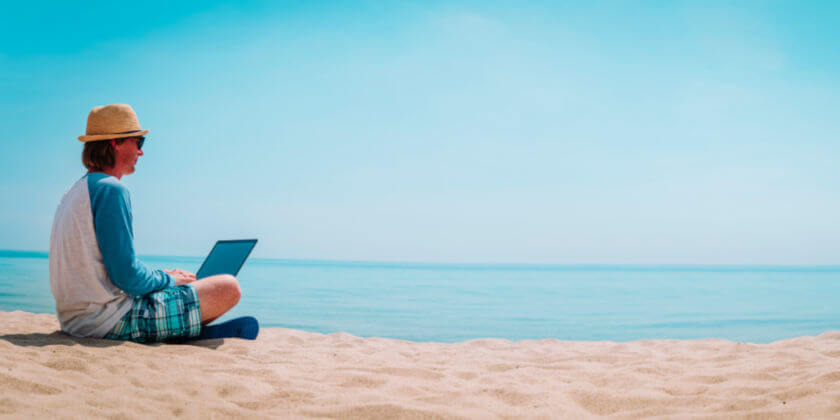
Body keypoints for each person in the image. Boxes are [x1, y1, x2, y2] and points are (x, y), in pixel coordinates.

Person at [49, 104, 256, 343]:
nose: (141, 152)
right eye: (139, 142)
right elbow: (126, 277)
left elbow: (114, 271)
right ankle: (187, 331)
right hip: (107, 322)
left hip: (76, 320)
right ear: (115, 142)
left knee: (184, 285)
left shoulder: (75, 191)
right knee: (228, 287)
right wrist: (170, 280)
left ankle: (187, 329)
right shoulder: (110, 189)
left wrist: (161, 276)